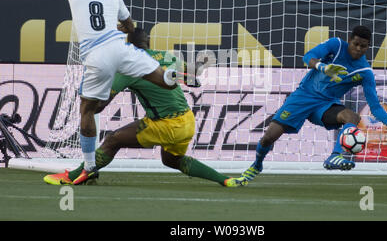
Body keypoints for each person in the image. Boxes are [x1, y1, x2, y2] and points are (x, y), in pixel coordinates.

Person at [0, 0, 183, 185]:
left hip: (97, 55)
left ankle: (89, 168)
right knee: (163, 79)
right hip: (120, 46)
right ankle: (176, 73)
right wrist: (123, 28)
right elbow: (131, 27)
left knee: (87, 111)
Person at [43, 29, 247, 188]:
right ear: (148, 42)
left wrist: (88, 97)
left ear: (127, 45)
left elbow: (100, 107)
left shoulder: (129, 66)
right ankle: (225, 180)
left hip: (168, 124)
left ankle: (78, 174)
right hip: (187, 121)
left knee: (113, 140)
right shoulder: (167, 56)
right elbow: (194, 77)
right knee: (172, 160)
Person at [241, 25, 387, 181]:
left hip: (325, 105)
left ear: (368, 47)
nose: (358, 48)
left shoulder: (365, 72)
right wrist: (322, 67)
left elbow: (374, 106)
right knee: (269, 137)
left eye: (363, 46)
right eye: (355, 44)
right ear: (349, 40)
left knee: (352, 116)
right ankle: (257, 165)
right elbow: (308, 56)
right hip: (303, 97)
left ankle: (335, 156)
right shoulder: (335, 45)